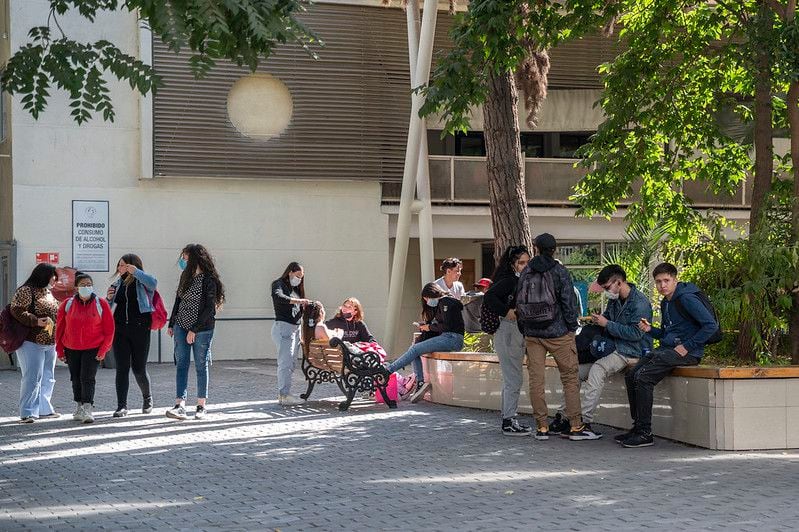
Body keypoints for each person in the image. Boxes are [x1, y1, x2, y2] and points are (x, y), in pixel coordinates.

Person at [620, 262, 717, 448]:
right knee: (631, 375)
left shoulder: (686, 298)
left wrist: (688, 346)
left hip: (688, 353)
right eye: (658, 282)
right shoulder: (666, 302)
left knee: (644, 377)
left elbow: (711, 326)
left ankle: (645, 432)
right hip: (668, 350)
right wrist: (650, 330)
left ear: (675, 280)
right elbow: (667, 334)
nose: (662, 285)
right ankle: (637, 427)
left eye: (666, 280)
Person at [549, 265, 653, 438]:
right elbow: (607, 321)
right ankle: (565, 418)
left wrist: (607, 324)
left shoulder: (640, 303)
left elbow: (636, 334)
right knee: (574, 373)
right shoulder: (615, 300)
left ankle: (585, 422)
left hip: (630, 351)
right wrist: (598, 321)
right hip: (611, 348)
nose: (606, 292)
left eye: (607, 288)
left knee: (598, 370)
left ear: (619, 282)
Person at [517, 233, 597, 441]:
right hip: (559, 333)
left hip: (533, 334)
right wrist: (572, 328)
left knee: (536, 381)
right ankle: (576, 426)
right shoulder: (559, 271)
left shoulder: (526, 271)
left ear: (535, 248)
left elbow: (518, 302)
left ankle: (542, 427)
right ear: (554, 249)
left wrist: (525, 328)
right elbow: (568, 302)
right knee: (570, 379)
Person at [166, 244, 225, 421]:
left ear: (194, 259)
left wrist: (195, 329)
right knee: (181, 363)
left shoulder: (209, 280)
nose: (183, 261)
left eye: (185, 258)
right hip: (181, 325)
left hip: (202, 329)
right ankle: (180, 404)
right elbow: (178, 300)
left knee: (201, 364)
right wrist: (172, 323)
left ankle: (201, 406)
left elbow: (209, 309)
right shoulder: (186, 276)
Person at [386, 283, 464, 403]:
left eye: (427, 298)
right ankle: (420, 382)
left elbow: (447, 326)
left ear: (432, 294)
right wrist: (427, 327)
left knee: (415, 349)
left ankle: (389, 370)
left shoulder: (445, 302)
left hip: (452, 338)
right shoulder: (439, 305)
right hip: (447, 337)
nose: (427, 301)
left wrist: (430, 327)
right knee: (414, 349)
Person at [482, 245, 532, 436]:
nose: (525, 266)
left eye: (528, 262)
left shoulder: (514, 280)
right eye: (521, 263)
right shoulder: (510, 280)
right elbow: (490, 298)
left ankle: (509, 418)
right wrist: (506, 311)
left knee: (512, 377)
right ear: (513, 264)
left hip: (511, 331)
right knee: (514, 378)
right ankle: (509, 420)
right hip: (509, 330)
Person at [55, 272, 115, 423]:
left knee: (87, 378)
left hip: (93, 347)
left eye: (89, 284)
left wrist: (103, 350)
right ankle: (79, 406)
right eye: (83, 285)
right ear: (76, 288)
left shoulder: (101, 304)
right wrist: (60, 350)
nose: (86, 287)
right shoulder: (67, 304)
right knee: (75, 378)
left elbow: (109, 330)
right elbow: (60, 329)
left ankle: (88, 408)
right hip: (71, 347)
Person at [107, 254, 158, 417]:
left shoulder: (142, 283)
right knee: (121, 368)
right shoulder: (116, 284)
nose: (120, 269)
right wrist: (108, 298)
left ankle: (147, 398)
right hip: (120, 330)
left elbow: (154, 283)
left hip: (140, 329)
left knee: (139, 369)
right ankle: (121, 406)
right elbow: (107, 309)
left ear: (132, 266)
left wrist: (137, 273)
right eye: (119, 266)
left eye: (123, 265)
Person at [10, 263, 60, 423]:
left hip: (50, 341)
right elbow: (16, 310)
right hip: (30, 341)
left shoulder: (48, 292)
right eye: (53, 276)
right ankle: (27, 412)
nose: (55, 279)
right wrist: (36, 321)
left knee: (48, 376)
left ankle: (44, 409)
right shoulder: (26, 290)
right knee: (32, 377)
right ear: (43, 275)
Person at [271, 262, 311, 406]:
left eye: (301, 277)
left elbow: (300, 313)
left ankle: (286, 392)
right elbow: (279, 297)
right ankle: (284, 394)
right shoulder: (278, 284)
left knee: (292, 363)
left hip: (295, 328)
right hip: (284, 327)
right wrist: (299, 301)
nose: (299, 279)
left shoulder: (296, 289)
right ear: (290, 272)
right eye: (297, 275)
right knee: (285, 362)